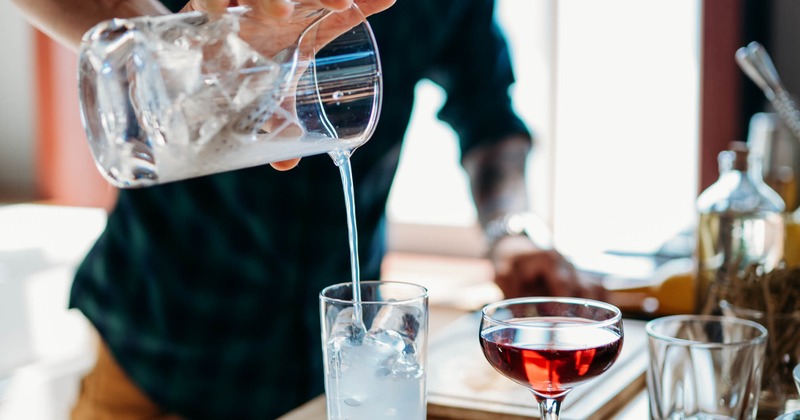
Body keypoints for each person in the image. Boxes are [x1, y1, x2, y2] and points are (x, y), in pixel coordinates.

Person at [11, 0, 606, 418]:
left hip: (319, 367)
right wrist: (184, 56)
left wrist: (512, 231)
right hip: (159, 345)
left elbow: (488, 114)